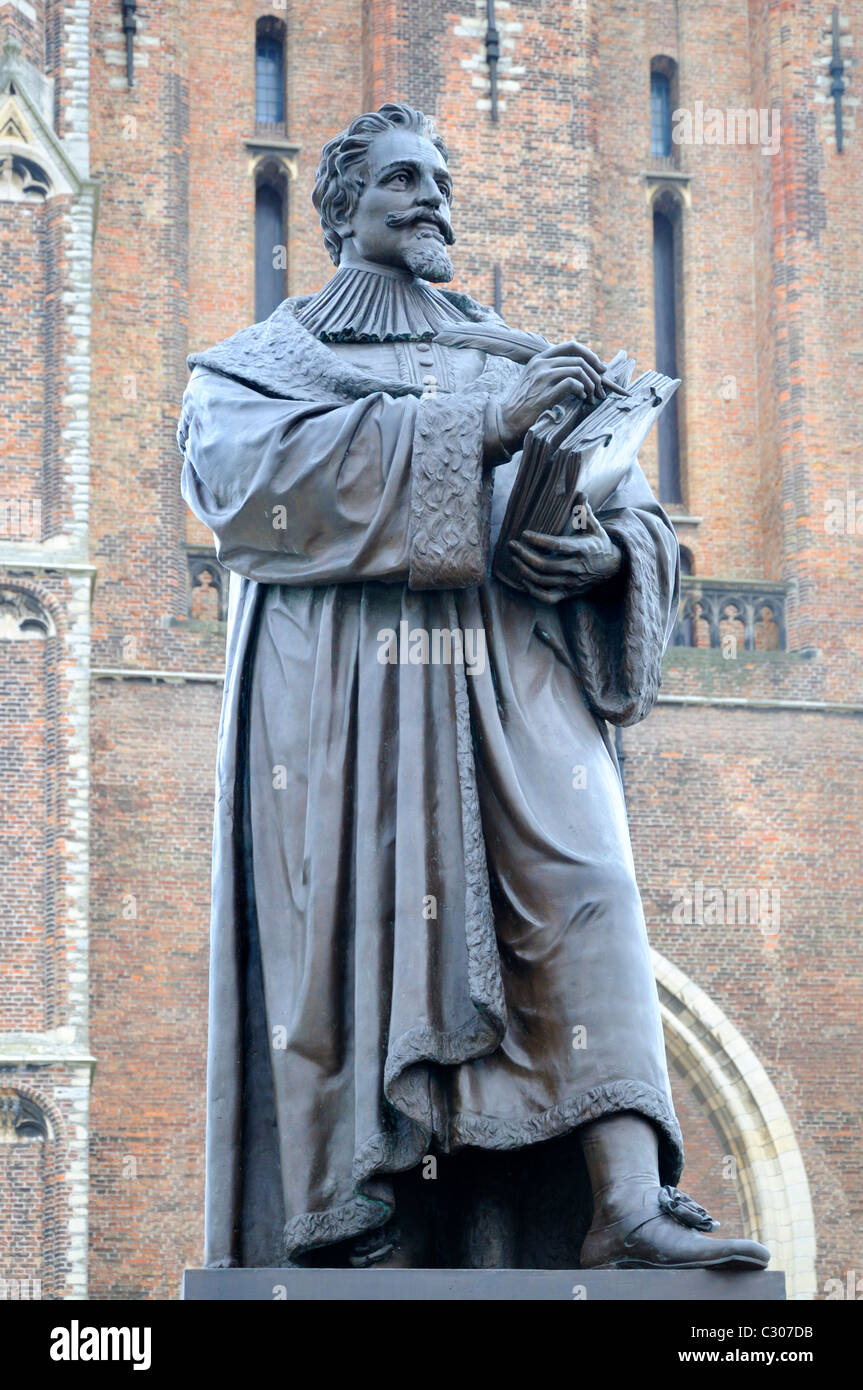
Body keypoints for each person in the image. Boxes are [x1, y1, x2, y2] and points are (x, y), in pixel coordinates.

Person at [178, 102, 769, 1272]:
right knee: (361, 930)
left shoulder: (522, 351)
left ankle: (624, 1199)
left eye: (440, 178)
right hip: (349, 696)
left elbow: (626, 510)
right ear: (340, 209)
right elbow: (247, 492)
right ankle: (367, 1217)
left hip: (521, 679)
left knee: (588, 886)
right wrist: (476, 431)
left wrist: (605, 556)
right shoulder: (263, 365)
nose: (430, 195)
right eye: (400, 178)